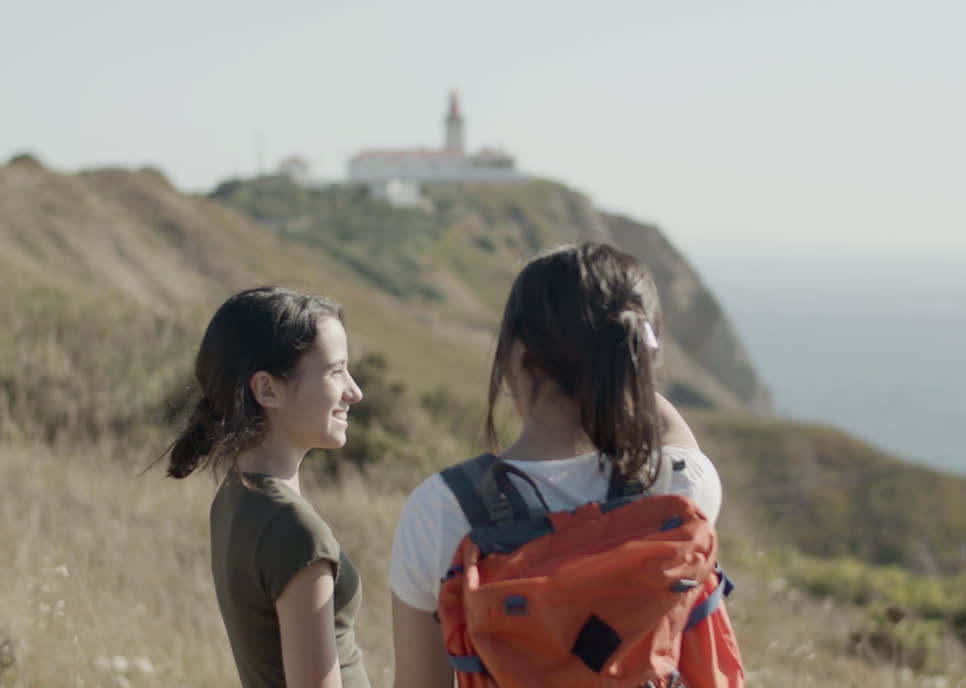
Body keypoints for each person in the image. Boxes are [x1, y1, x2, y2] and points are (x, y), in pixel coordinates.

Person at [388, 243, 723, 687]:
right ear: (636, 366)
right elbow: (670, 432)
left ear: (520, 359)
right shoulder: (679, 490)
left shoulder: (440, 510)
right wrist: (623, 371)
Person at [165, 287, 370, 688]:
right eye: (335, 371)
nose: (354, 391)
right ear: (267, 389)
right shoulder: (293, 530)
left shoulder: (236, 497)